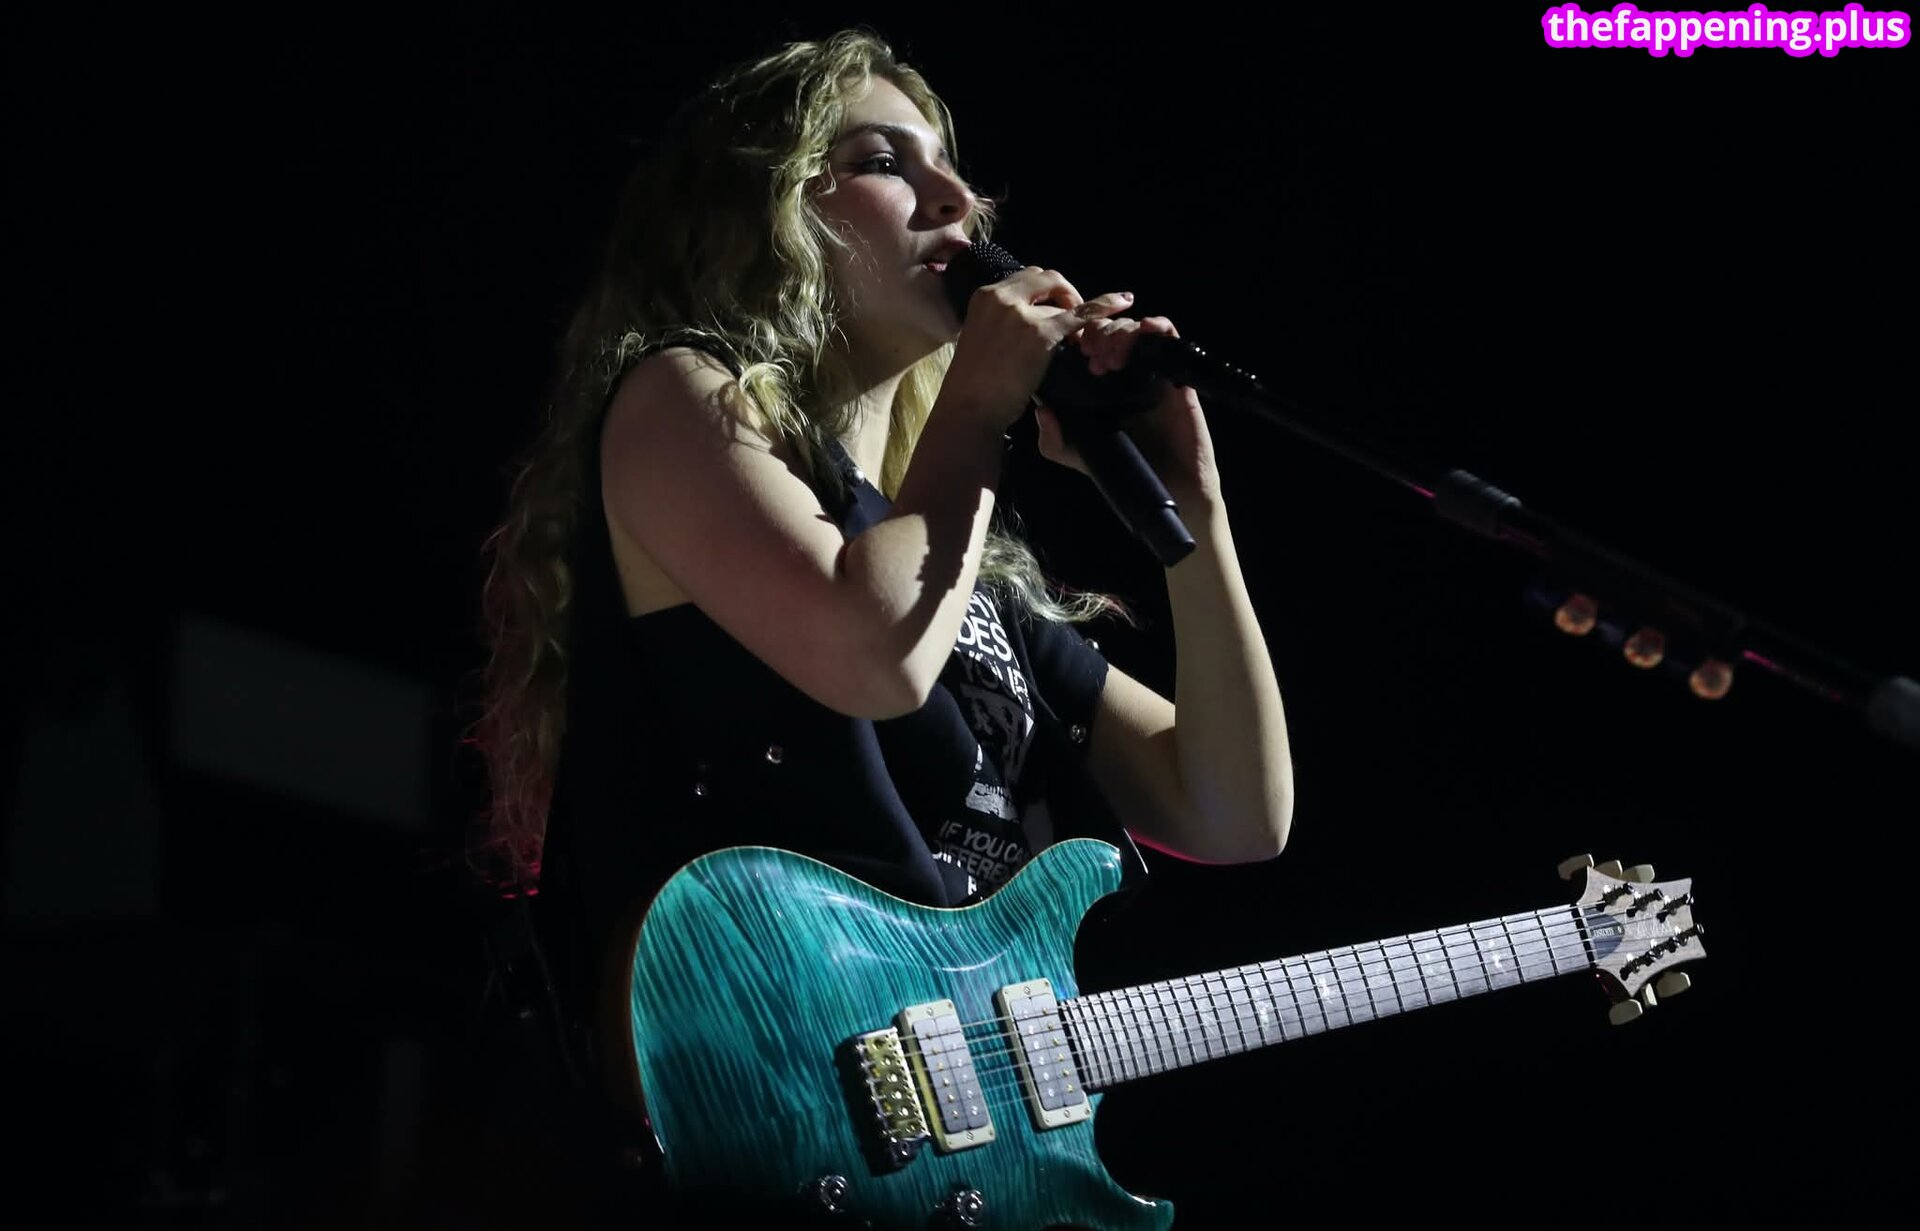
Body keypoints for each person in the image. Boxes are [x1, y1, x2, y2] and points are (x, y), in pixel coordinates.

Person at [473, 26, 1294, 1225]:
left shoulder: (960, 560)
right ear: (761, 215)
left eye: (951, 166)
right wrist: (981, 407)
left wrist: (1198, 523)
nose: (959, 200)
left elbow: (1234, 810)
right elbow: (871, 653)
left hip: (950, 1156)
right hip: (766, 1124)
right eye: (883, 161)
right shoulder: (678, 401)